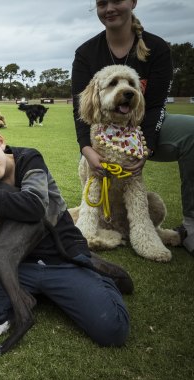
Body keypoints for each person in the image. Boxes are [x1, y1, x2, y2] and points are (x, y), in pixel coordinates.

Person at [0, 118, 130, 347]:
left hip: (62, 259)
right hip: (21, 265)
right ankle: (37, 295)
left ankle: (99, 276)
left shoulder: (29, 159)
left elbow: (34, 206)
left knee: (112, 329)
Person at [72, 0, 194, 256]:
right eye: (102, 3)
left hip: (144, 127)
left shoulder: (157, 47)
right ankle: (87, 225)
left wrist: (144, 148)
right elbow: (80, 110)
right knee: (94, 176)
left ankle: (191, 227)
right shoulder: (86, 52)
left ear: (133, 2)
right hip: (102, 134)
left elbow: (155, 106)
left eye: (116, 0)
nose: (109, 8)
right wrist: (86, 148)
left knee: (191, 130)